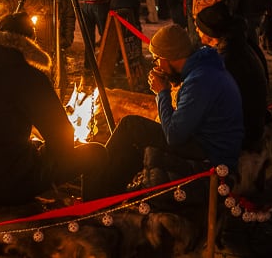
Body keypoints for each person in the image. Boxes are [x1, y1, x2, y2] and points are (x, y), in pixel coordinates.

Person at [0, 12, 107, 204]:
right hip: (2, 184)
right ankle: (91, 214)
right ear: (29, 44)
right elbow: (63, 139)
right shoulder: (29, 77)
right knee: (97, 153)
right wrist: (45, 153)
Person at [85, 24, 243, 199]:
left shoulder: (199, 81)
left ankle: (94, 198)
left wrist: (162, 93)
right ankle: (111, 193)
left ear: (168, 57)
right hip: (210, 142)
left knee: (131, 126)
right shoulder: (204, 68)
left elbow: (174, 136)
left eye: (156, 59)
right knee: (137, 134)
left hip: (211, 152)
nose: (157, 65)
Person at [195, 2, 269, 152]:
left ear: (209, 33)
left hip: (242, 135)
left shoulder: (226, 60)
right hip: (254, 125)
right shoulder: (243, 44)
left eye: (199, 28)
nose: (196, 30)